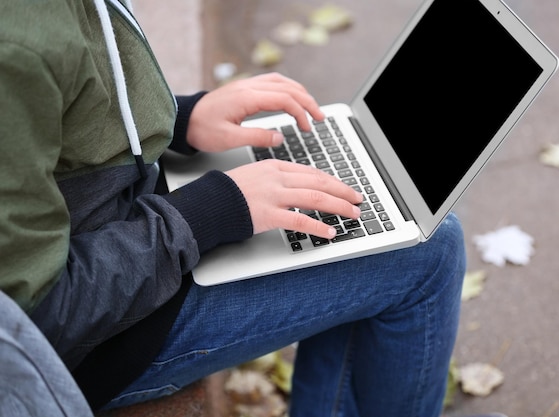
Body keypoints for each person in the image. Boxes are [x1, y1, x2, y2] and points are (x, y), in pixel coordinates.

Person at [0, 1, 500, 416]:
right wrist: (213, 211)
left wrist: (180, 119)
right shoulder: (14, 48)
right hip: (106, 341)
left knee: (361, 218)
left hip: (135, 217)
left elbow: (64, 112)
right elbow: (35, 318)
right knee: (425, 252)